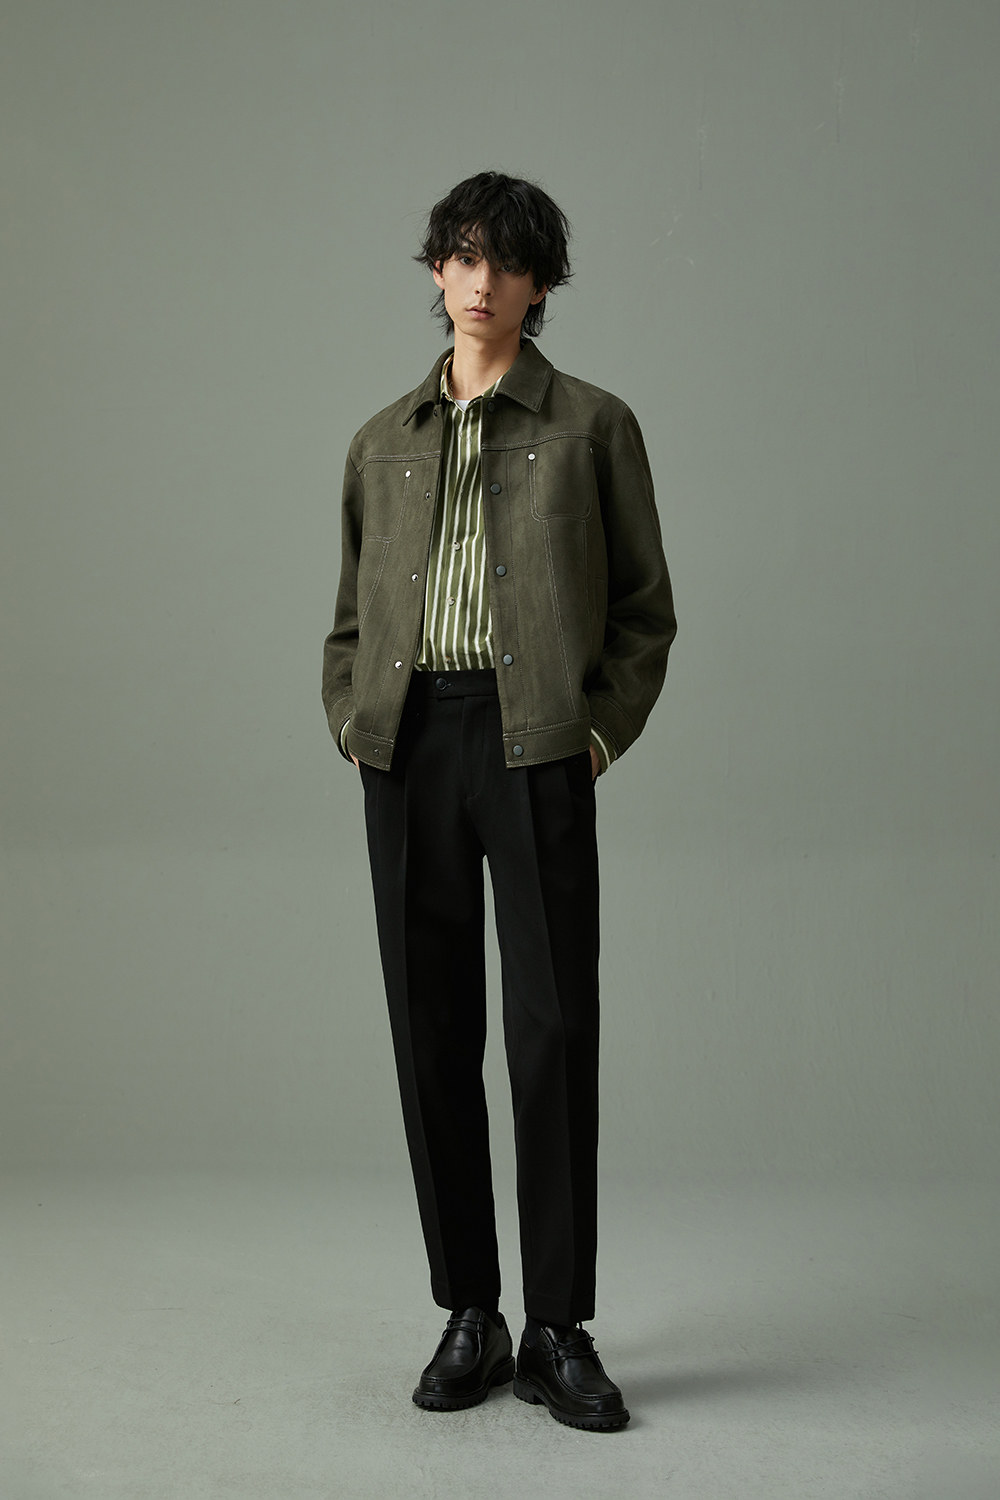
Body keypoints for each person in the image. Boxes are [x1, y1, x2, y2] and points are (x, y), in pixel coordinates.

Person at [322, 171, 676, 1432]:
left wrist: (594, 738)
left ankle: (557, 1328)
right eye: (463, 257)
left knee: (551, 1030)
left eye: (508, 262)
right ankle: (467, 1312)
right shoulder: (381, 441)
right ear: (437, 271)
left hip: (535, 745)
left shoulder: (593, 428)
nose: (482, 282)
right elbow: (351, 617)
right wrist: (357, 725)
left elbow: (643, 613)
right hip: (410, 746)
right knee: (430, 1031)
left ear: (540, 284)